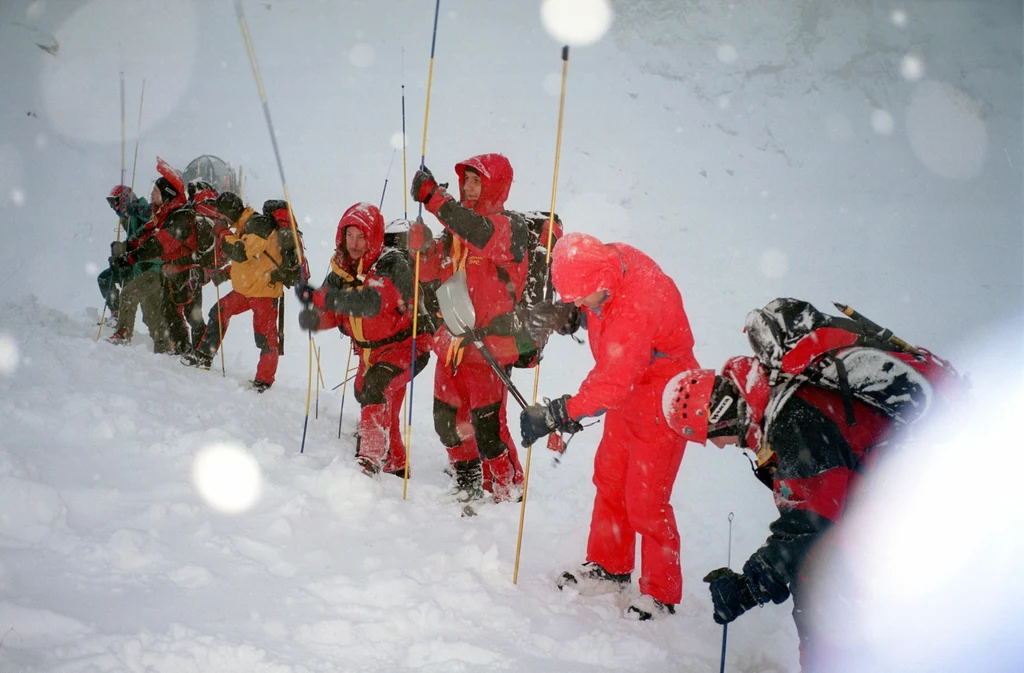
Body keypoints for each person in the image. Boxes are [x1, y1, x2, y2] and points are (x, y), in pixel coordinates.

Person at [663, 354, 897, 671]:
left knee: (825, 592)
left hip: (900, 498)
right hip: (871, 496)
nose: (717, 446)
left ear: (719, 417)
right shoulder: (771, 406)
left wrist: (748, 587)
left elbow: (808, 523)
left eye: (709, 436)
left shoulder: (792, 422)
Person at [518, 231, 700, 620]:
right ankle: (610, 567)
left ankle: (660, 593)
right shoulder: (607, 264)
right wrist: (573, 316)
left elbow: (613, 381)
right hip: (630, 392)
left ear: (601, 283)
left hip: (664, 396)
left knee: (646, 498)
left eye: (582, 298)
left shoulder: (638, 304)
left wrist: (556, 413)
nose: (580, 304)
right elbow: (607, 327)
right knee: (611, 479)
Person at [407, 154, 530, 504]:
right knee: (447, 421)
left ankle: (507, 487)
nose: (468, 186)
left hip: (491, 344)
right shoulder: (455, 231)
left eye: (477, 180)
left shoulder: (509, 226)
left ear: (495, 184)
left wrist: (433, 197)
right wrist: (422, 251)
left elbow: (479, 232)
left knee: (488, 428)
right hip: (453, 341)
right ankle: (468, 478)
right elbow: (432, 272)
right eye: (467, 180)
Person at [296, 202, 430, 476]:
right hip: (369, 352)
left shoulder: (392, 264)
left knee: (375, 389)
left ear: (374, 237)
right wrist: (316, 320)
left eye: (361, 236)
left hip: (407, 346)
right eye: (350, 236)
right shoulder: (341, 270)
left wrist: (321, 297)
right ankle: (395, 461)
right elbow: (335, 312)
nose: (355, 243)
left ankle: (369, 459)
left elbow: (370, 303)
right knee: (377, 401)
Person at [182, 194, 284, 394]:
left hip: (264, 292)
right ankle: (204, 355)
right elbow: (252, 262)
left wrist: (221, 232)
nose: (220, 219)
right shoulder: (244, 226)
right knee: (219, 311)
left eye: (221, 214)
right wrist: (227, 273)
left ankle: (263, 381)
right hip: (248, 289)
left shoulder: (259, 224)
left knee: (266, 338)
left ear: (229, 212)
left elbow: (240, 252)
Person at [111, 159, 203, 355]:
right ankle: (168, 348)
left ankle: (124, 335)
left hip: (182, 273)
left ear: (167, 194)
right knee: (157, 314)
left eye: (156, 191)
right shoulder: (163, 213)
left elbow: (156, 245)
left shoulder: (179, 218)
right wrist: (126, 246)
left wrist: (129, 258)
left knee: (132, 295)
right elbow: (145, 234)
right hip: (167, 272)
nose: (152, 194)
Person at [102, 187, 171, 352]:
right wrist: (122, 250)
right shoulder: (131, 216)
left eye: (117, 203)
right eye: (113, 205)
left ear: (125, 199)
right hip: (144, 268)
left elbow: (150, 220)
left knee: (128, 294)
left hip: (153, 267)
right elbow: (137, 238)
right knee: (150, 314)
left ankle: (123, 334)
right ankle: (164, 346)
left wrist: (135, 210)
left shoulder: (142, 208)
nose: (116, 208)